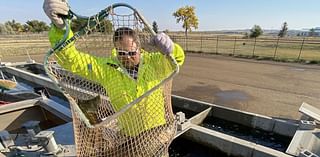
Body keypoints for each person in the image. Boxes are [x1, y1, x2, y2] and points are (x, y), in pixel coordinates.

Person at [43, 0, 185, 156]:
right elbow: (71, 60)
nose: (128, 58)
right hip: (129, 139)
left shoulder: (155, 62)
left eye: (132, 52)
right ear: (115, 50)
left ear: (139, 47)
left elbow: (177, 59)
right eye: (121, 53)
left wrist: (172, 48)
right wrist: (60, 28)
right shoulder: (106, 69)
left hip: (158, 135)